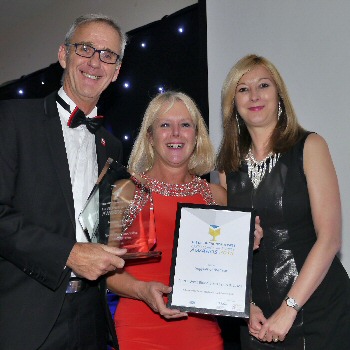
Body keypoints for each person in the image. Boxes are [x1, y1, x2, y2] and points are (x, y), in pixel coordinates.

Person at [0, 14, 128, 350]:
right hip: (26, 315)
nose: (95, 61)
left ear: (116, 72)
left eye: (108, 55)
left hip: (91, 317)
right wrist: (68, 254)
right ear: (63, 54)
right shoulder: (12, 119)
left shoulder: (111, 146)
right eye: (85, 48)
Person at [107, 91, 263, 350]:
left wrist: (244, 247)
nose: (176, 133)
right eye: (165, 125)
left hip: (201, 334)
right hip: (139, 332)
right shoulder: (127, 191)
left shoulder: (216, 197)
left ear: (197, 136)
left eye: (185, 125)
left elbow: (223, 275)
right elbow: (107, 270)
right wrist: (143, 290)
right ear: (150, 137)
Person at [217, 54, 350, 349]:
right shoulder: (227, 167)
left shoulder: (310, 146)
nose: (254, 95)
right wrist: (246, 305)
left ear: (279, 95)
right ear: (233, 104)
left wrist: (290, 308)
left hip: (319, 310)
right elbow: (232, 251)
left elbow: (329, 240)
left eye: (263, 85)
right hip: (258, 319)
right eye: (242, 89)